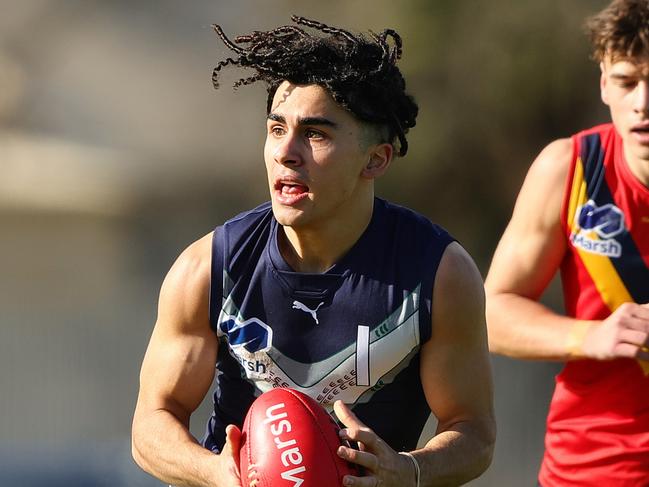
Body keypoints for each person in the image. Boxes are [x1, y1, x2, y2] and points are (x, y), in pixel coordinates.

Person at [132, 16, 495, 487]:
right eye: (276, 128)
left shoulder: (439, 274)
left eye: (316, 133)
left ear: (376, 159)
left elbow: (474, 432)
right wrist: (218, 472)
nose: (286, 152)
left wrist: (408, 470)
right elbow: (150, 424)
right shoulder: (206, 270)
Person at [485, 1, 649, 485]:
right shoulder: (571, 168)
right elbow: (493, 312)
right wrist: (590, 336)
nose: (644, 101)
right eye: (626, 81)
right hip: (593, 467)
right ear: (603, 83)